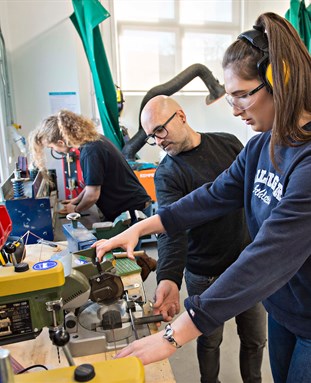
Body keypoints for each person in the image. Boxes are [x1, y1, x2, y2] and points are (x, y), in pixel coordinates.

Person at [93, 12, 311, 383]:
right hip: (284, 308)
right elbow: (210, 196)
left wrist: (176, 333)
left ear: (283, 82)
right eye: (230, 97)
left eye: (243, 95)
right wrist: (142, 226)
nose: (236, 109)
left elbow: (267, 255)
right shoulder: (261, 146)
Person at [140, 95, 266, 383]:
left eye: (160, 130)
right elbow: (171, 230)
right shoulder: (167, 174)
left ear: (181, 117)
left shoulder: (228, 142)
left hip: (247, 266)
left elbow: (254, 190)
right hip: (204, 274)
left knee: (255, 339)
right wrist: (169, 278)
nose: (158, 141)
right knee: (208, 340)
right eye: (151, 137)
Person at [29, 110, 157, 276]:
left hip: (130, 212)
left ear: (61, 141)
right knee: (122, 259)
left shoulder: (91, 150)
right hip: (130, 208)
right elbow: (92, 185)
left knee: (125, 268)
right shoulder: (94, 141)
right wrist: (75, 200)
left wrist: (75, 211)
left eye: (52, 147)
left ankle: (144, 271)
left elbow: (92, 195)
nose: (55, 150)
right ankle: (147, 262)